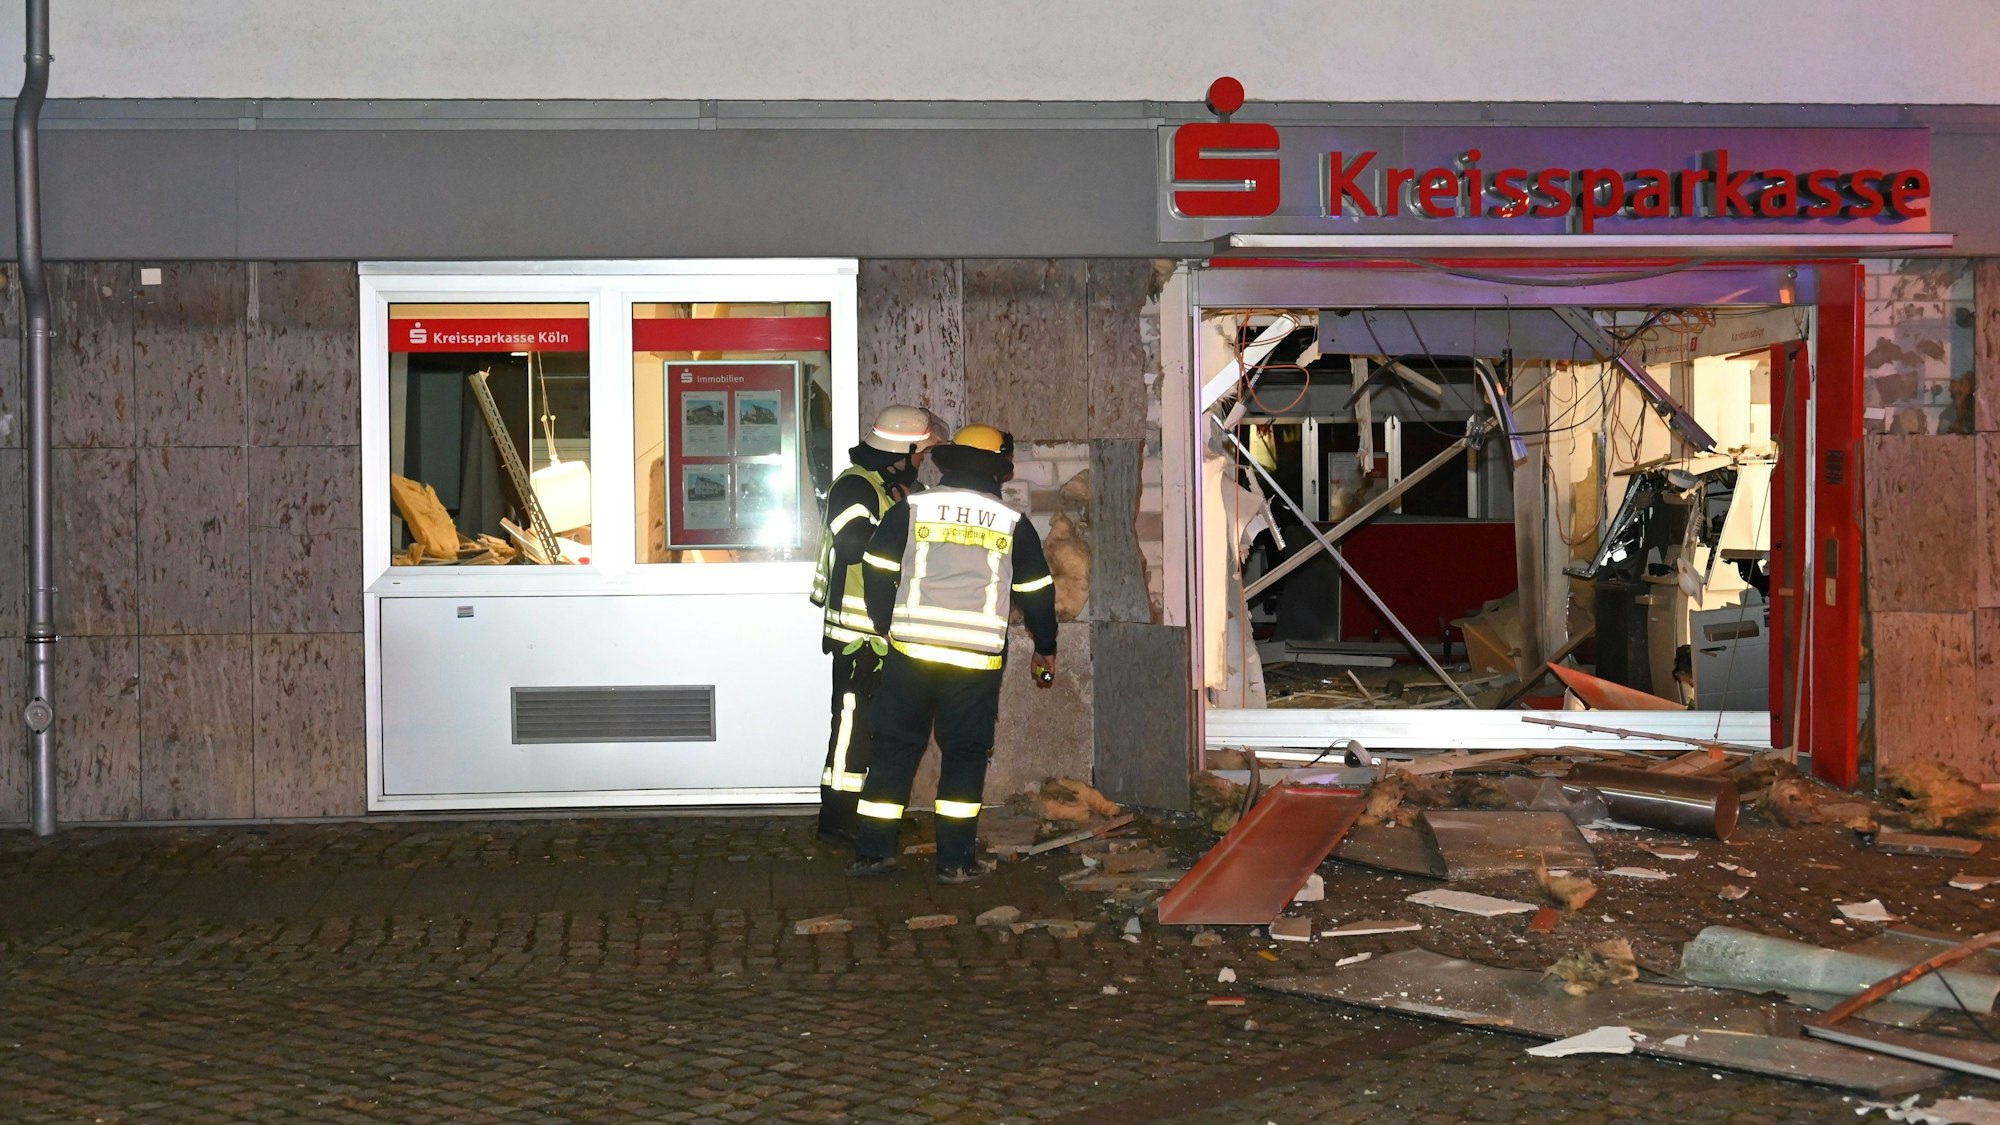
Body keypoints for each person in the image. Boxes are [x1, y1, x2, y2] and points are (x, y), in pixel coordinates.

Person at [848, 423, 1058, 884]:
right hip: (974, 661)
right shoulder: (1011, 523)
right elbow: (1038, 593)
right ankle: (956, 862)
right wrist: (1046, 648)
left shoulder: (912, 508)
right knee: (964, 754)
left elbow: (877, 566)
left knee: (895, 749)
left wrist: (886, 624)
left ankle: (873, 854)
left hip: (911, 653)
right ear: (1001, 471)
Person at [808, 404, 948, 843]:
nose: (923, 462)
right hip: (857, 635)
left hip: (883, 631)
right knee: (852, 726)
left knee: (881, 729)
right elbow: (852, 543)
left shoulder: (890, 487)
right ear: (901, 450)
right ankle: (838, 820)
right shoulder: (855, 487)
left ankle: (872, 814)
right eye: (920, 454)